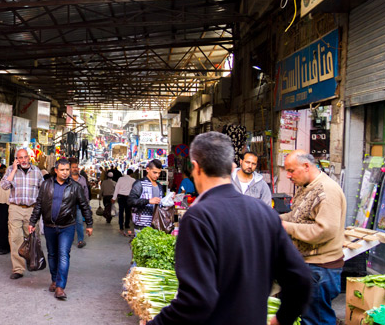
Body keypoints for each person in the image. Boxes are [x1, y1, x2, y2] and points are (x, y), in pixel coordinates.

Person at [147, 132, 311, 325]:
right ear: (232, 167)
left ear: (196, 167)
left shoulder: (198, 217)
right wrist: (282, 319)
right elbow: (300, 280)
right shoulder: (265, 213)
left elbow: (195, 301)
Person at [281, 150, 346, 325]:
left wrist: (286, 227)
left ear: (306, 166)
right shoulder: (306, 187)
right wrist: (273, 219)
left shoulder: (327, 191)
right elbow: (296, 216)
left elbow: (324, 230)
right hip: (309, 265)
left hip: (321, 269)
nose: (288, 175)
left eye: (291, 171)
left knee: (317, 319)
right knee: (309, 316)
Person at [29, 158, 93, 300]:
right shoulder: (46, 184)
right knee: (52, 254)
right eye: (62, 170)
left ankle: (60, 287)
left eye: (67, 170)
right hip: (50, 226)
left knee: (63, 254)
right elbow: (39, 204)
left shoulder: (75, 187)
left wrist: (89, 224)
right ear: (56, 170)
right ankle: (54, 280)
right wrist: (32, 221)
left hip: (67, 227)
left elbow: (84, 205)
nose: (65, 172)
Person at [0, 148, 44, 279]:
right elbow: (4, 186)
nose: (23, 160)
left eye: (25, 157)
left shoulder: (36, 171)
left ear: (29, 157)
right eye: (20, 158)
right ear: (16, 159)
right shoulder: (10, 170)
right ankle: (18, 269)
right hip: (15, 208)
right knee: (15, 238)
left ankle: (32, 261)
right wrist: (14, 170)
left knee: (32, 237)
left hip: (31, 210)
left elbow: (43, 190)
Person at [127, 159, 165, 235]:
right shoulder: (139, 184)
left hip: (156, 225)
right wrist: (148, 201)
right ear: (147, 169)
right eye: (155, 172)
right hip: (141, 225)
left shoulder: (160, 186)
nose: (157, 175)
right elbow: (130, 201)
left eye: (159, 173)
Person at [69, 158, 90, 248]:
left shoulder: (82, 179)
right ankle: (68, 240)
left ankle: (80, 240)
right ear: (70, 168)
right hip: (68, 205)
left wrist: (87, 203)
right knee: (68, 223)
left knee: (80, 222)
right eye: (73, 167)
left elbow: (86, 192)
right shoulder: (67, 179)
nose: (75, 169)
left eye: (76, 167)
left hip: (79, 205)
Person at [113, 169, 136, 236]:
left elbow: (117, 188)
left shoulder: (120, 179)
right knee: (128, 211)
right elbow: (134, 190)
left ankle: (121, 226)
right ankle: (127, 224)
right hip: (129, 197)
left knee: (121, 211)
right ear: (131, 174)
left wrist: (114, 198)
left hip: (121, 197)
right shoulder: (133, 180)